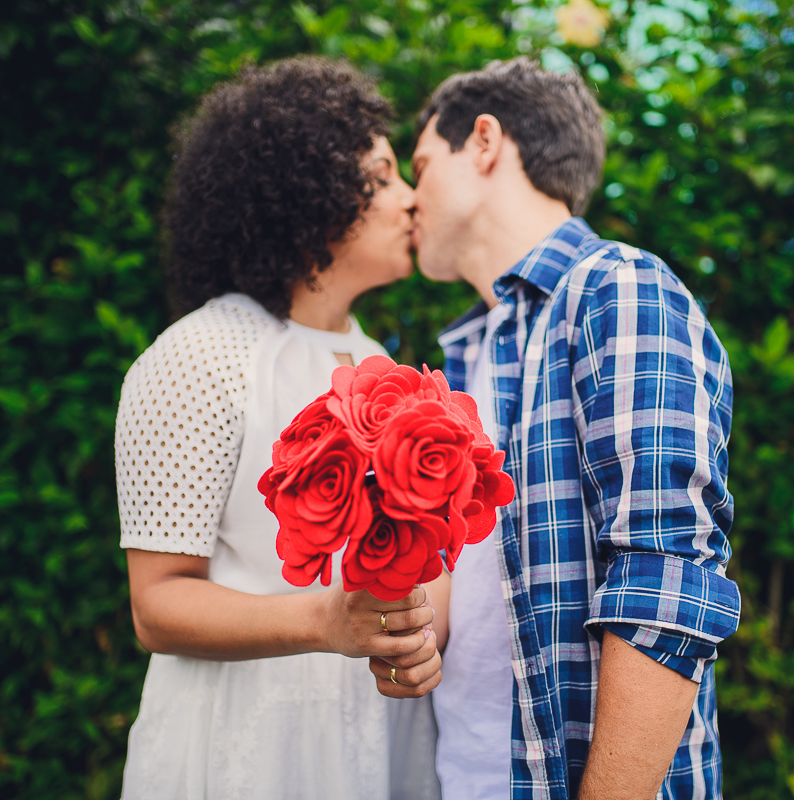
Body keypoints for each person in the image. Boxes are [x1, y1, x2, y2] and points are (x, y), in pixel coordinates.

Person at [410, 58, 741, 800]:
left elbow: (666, 583)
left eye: (422, 164)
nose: (408, 197)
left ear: (485, 141)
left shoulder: (613, 288)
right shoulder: (464, 352)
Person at [114, 58, 442, 799]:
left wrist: (416, 640)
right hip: (242, 744)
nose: (411, 200)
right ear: (313, 194)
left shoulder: (382, 367)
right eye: (385, 175)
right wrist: (326, 621)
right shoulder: (197, 358)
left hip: (375, 738)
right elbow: (158, 603)